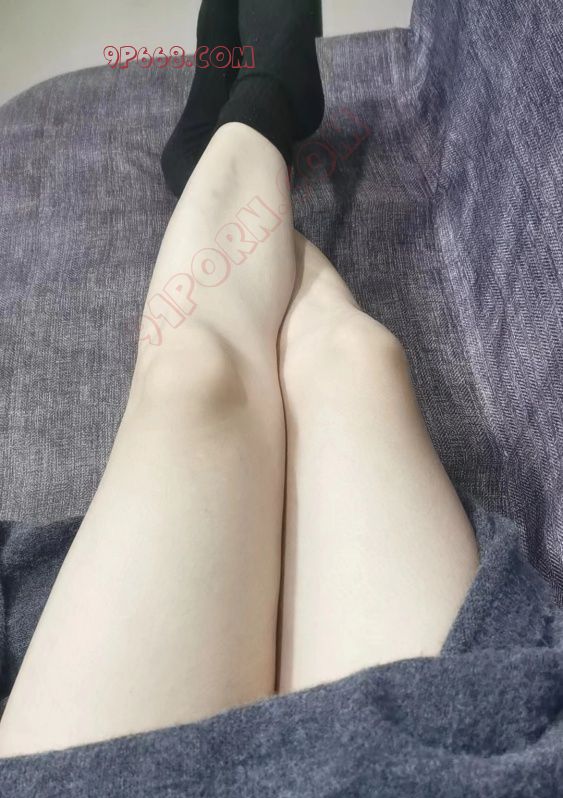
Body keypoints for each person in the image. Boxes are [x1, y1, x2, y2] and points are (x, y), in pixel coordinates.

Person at [0, 0, 479, 757]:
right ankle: (253, 112)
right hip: (452, 780)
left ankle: (240, 126)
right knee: (353, 359)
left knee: (197, 377)